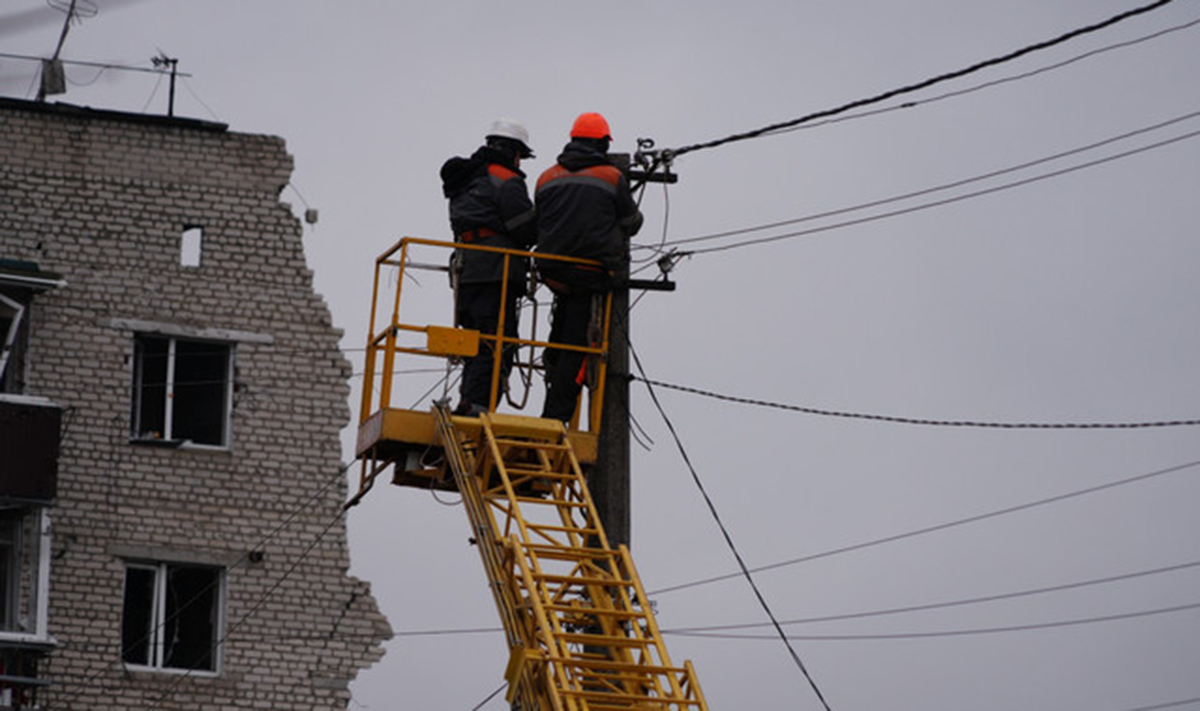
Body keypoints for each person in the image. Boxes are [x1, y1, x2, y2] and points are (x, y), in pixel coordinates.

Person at [534, 112, 643, 423]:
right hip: (589, 274)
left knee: (560, 336)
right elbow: (631, 223)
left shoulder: (546, 177)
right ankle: (555, 417)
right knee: (579, 348)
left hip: (553, 273)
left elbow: (539, 221)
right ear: (602, 143)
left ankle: (551, 374)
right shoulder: (611, 177)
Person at [440, 118, 537, 416]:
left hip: (467, 270)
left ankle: (469, 400)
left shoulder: (465, 178)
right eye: (520, 155)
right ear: (513, 151)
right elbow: (524, 230)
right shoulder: (506, 180)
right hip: (496, 271)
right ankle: (477, 405)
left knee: (474, 341)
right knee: (498, 341)